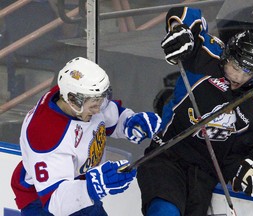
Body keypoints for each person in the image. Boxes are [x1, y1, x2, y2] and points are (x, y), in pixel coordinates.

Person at [137, 7, 253, 216]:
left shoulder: (252, 109)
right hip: (166, 155)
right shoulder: (205, 57)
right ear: (226, 56)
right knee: (164, 212)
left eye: (248, 72)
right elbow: (185, 13)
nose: (239, 77)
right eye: (235, 67)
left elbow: (230, 156)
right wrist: (180, 29)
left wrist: (241, 171)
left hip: (203, 174)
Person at [10, 57, 162, 215]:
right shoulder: (45, 133)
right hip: (43, 203)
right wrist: (95, 185)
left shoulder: (77, 95)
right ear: (73, 101)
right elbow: (54, 201)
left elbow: (106, 117)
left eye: (100, 101)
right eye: (94, 105)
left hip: (81, 186)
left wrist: (128, 123)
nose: (98, 110)